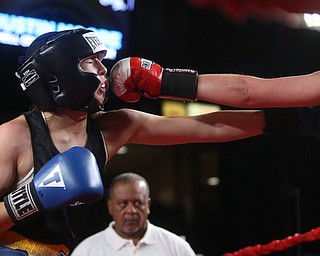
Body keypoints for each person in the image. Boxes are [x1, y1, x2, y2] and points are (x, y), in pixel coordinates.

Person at [0, 28, 315, 255]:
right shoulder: (12, 138)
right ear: (57, 77)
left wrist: (293, 121)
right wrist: (29, 200)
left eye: (101, 60)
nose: (103, 70)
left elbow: (208, 127)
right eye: (90, 62)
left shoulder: (115, 127)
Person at [71, 172, 197, 256]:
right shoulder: (87, 250)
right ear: (110, 207)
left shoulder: (177, 247)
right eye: (123, 203)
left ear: (148, 205)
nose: (131, 210)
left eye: (138, 203)